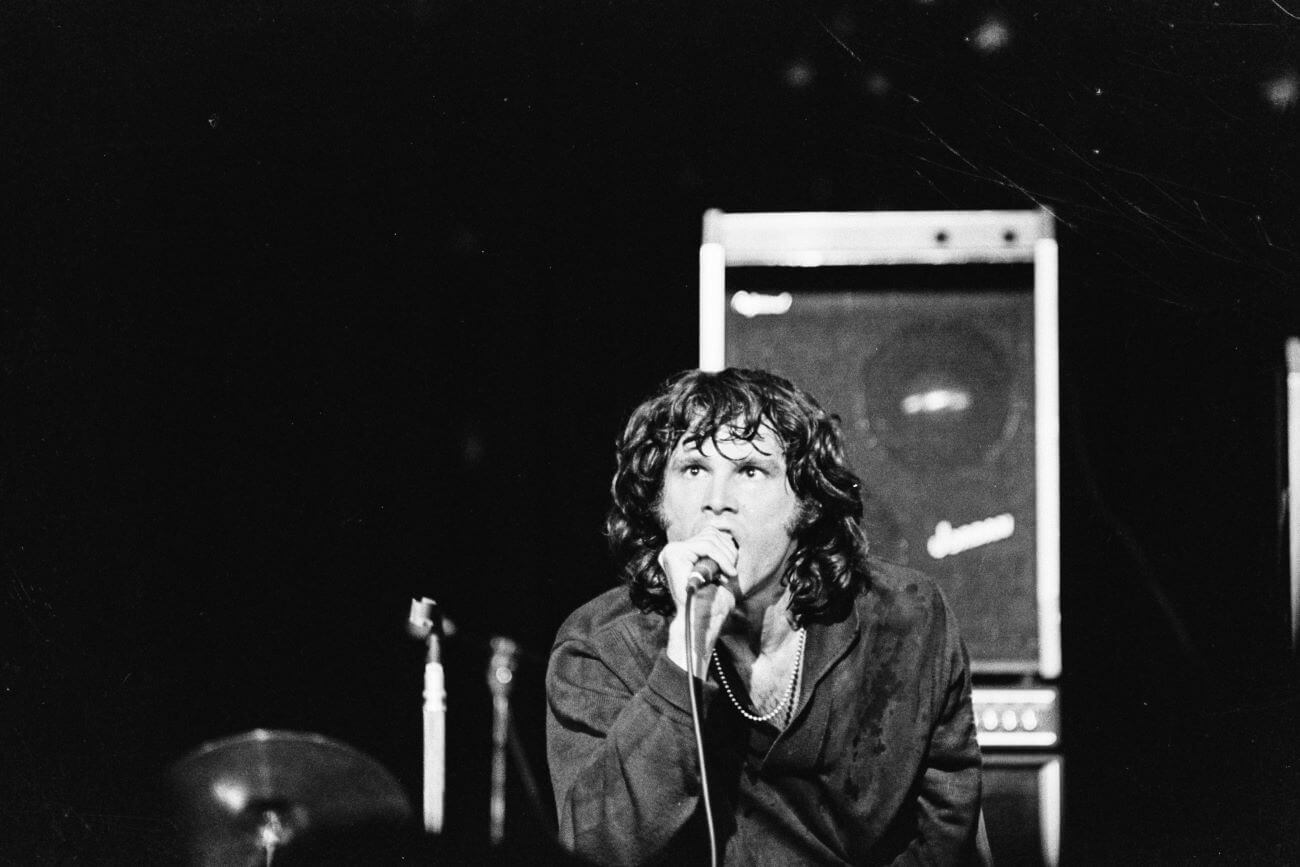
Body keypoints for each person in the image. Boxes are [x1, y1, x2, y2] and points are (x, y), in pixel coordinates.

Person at [546, 368, 986, 866]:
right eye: (693, 469)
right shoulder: (600, 646)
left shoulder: (906, 617)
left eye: (751, 471)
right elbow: (597, 849)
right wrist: (684, 655)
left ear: (807, 504)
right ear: (658, 500)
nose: (718, 502)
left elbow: (948, 834)